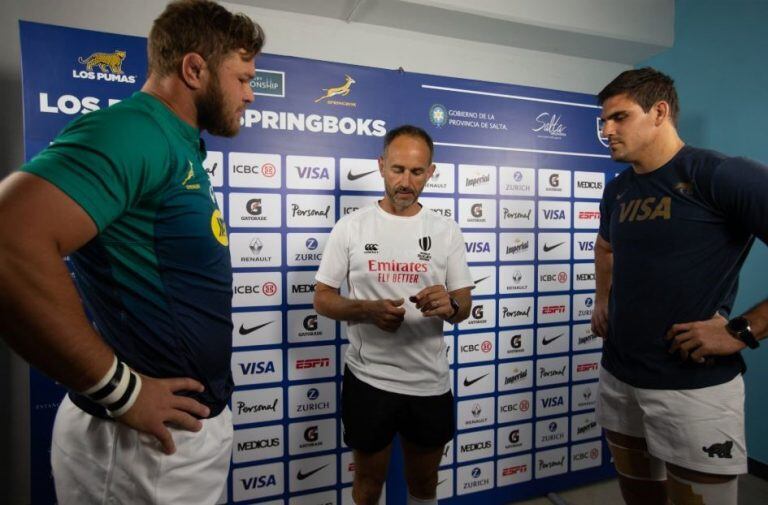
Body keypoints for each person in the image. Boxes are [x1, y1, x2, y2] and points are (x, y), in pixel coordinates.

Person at [0, 1, 264, 503]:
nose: (250, 95)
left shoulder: (176, 142)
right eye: (243, 78)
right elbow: (8, 238)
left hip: (175, 440)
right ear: (194, 68)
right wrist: (119, 390)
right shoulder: (135, 129)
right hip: (137, 448)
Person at [591, 67, 768, 505]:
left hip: (693, 388)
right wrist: (602, 298)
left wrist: (742, 331)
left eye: (619, 117)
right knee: (640, 496)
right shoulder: (619, 191)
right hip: (619, 376)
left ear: (660, 112)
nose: (607, 130)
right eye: (603, 121)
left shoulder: (722, 174)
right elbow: (605, 247)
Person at [314, 125, 473, 505]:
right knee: (368, 487)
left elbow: (463, 307)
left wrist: (449, 306)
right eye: (398, 169)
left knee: (424, 486)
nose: (405, 181)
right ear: (381, 166)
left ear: (431, 172)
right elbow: (322, 299)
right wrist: (366, 310)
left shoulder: (446, 230)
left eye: (417, 172)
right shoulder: (351, 227)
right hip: (368, 381)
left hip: (429, 383)